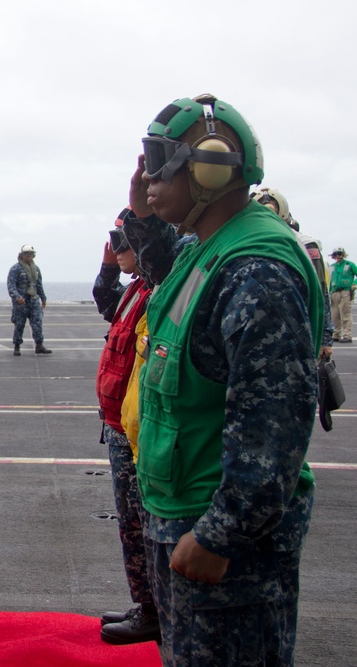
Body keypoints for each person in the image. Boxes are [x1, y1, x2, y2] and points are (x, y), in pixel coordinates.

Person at [125, 94, 323, 666]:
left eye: (160, 160)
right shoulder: (210, 248)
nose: (147, 175)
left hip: (222, 541)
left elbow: (271, 423)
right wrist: (143, 216)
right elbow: (172, 282)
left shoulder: (257, 269)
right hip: (185, 513)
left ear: (210, 166)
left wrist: (221, 534)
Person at [91, 209, 158, 645]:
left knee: (145, 524)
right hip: (118, 424)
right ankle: (147, 604)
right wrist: (108, 264)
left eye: (126, 241)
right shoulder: (135, 289)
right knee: (131, 524)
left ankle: (157, 608)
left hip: (140, 431)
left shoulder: (159, 290)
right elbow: (104, 300)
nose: (120, 247)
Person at [251, 187, 334, 358]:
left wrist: (324, 338)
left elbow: (320, 291)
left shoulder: (305, 244)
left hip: (297, 326)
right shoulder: (246, 241)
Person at [7, 244, 52, 355]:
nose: (28, 256)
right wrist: (17, 297)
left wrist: (43, 298)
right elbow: (11, 285)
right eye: (26, 254)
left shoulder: (36, 269)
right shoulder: (15, 269)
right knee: (19, 324)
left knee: (37, 322)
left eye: (31, 254)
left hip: (34, 300)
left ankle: (39, 345)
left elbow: (39, 284)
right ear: (21, 255)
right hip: (21, 303)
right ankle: (17, 346)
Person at [329, 247, 356, 343]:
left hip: (345, 292)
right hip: (334, 292)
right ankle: (336, 334)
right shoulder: (331, 267)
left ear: (343, 254)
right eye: (336, 254)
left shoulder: (350, 265)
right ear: (333, 256)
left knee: (345, 314)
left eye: (340, 254)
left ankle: (347, 335)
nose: (338, 256)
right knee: (334, 315)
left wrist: (354, 284)